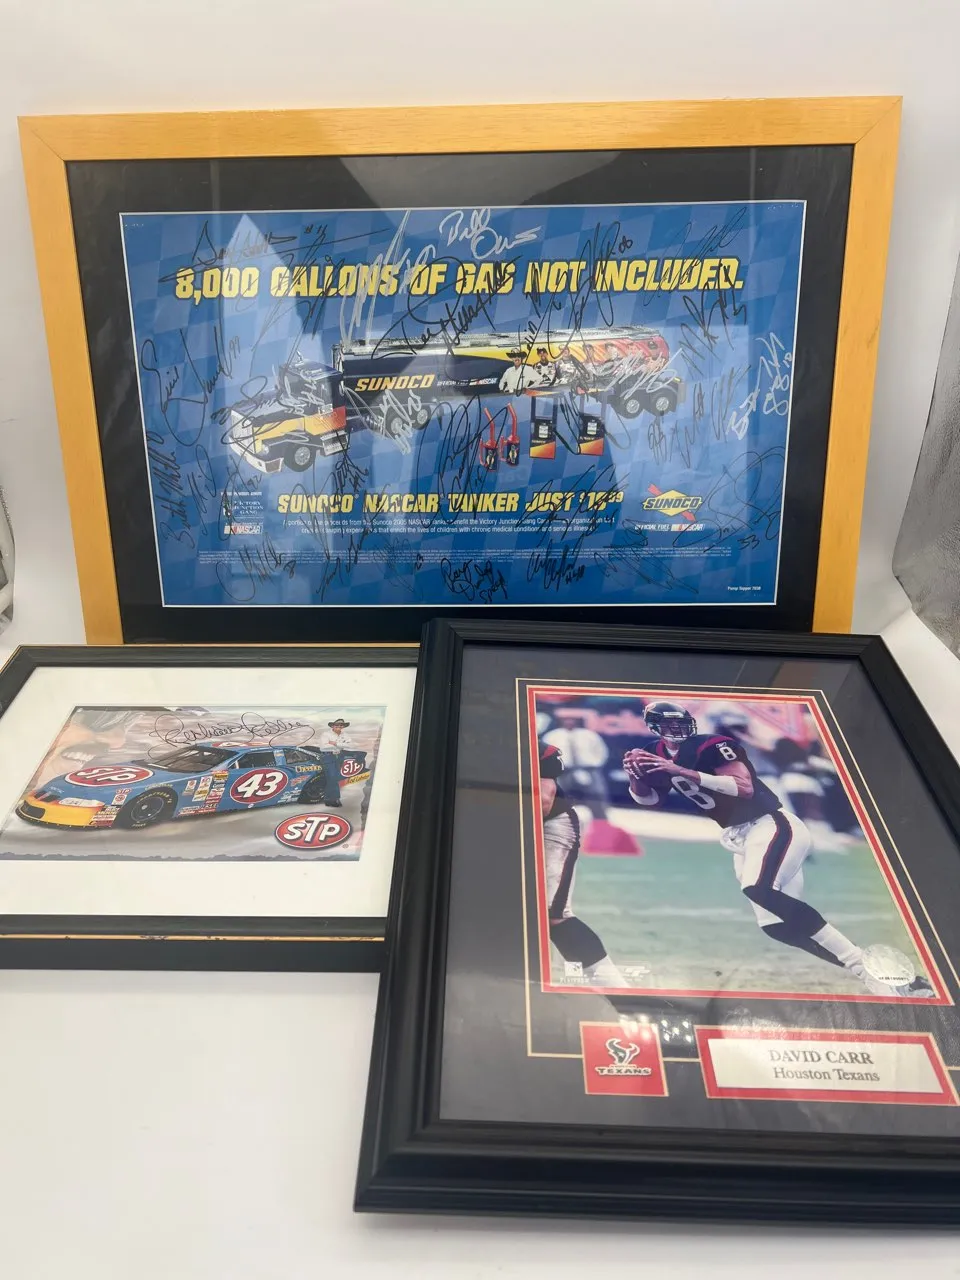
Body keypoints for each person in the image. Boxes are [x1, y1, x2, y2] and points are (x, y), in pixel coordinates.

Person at [622, 700, 934, 998]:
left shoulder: (713, 744)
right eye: (668, 724)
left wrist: (680, 771)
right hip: (739, 837)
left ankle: (863, 969)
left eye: (679, 722)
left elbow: (743, 787)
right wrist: (636, 779)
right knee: (776, 927)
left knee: (759, 889)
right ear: (654, 727)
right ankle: (902, 980)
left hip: (771, 824)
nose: (676, 729)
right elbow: (650, 800)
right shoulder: (652, 753)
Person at [538, 741, 625, 987]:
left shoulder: (533, 748)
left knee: (554, 914)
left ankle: (616, 989)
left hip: (552, 824)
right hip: (514, 825)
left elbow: (543, 801)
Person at [317, 717, 354, 807]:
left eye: (341, 725)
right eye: (337, 725)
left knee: (335, 778)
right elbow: (323, 747)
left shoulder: (345, 735)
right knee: (332, 777)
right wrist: (341, 745)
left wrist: (335, 743)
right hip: (328, 756)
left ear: (343, 726)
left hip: (339, 756)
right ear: (332, 726)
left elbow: (350, 745)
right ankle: (335, 798)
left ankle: (328, 799)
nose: (339, 726)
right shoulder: (326, 734)